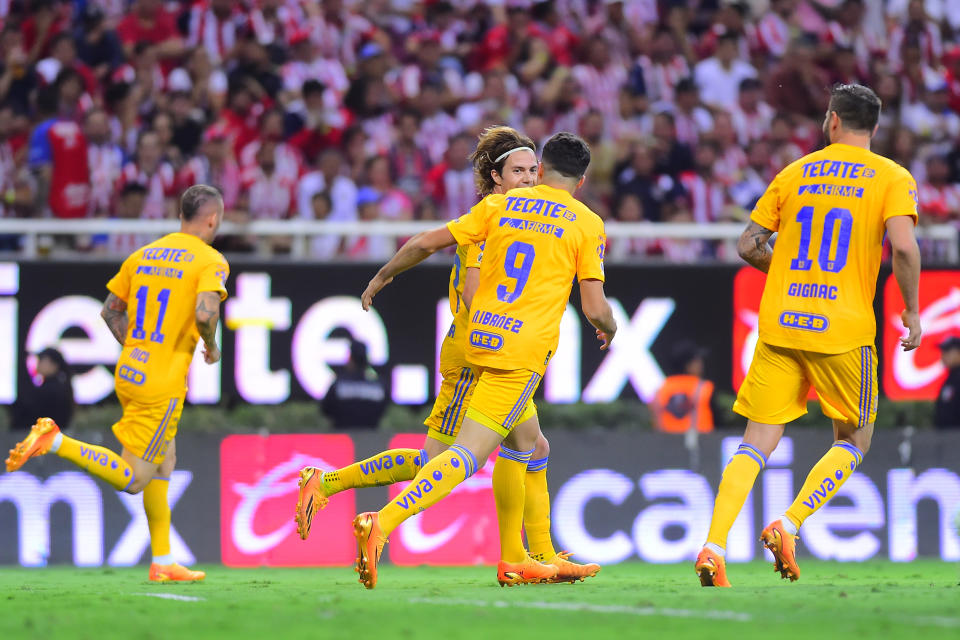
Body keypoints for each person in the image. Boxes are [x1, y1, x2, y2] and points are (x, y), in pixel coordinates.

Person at [296, 127, 600, 585]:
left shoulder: (508, 214)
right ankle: (334, 486)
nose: (526, 178)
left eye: (529, 170)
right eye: (517, 171)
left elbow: (430, 245)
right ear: (496, 177)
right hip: (479, 354)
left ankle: (535, 554)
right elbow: (478, 297)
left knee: (532, 445)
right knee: (441, 461)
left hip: (491, 347)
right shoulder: (493, 219)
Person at [695, 84, 922, 587]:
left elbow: (748, 244)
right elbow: (904, 249)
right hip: (843, 331)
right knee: (854, 439)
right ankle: (790, 521)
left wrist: (792, 271)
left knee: (754, 445)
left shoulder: (797, 172)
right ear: (874, 128)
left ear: (833, 121)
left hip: (782, 323)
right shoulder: (891, 177)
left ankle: (713, 545)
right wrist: (911, 310)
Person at [5, 185, 229, 583]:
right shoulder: (210, 260)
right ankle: (54, 440)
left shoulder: (145, 254)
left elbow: (110, 311)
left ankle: (162, 560)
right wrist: (210, 347)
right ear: (212, 218)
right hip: (161, 383)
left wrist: (140, 346)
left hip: (130, 370)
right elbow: (205, 314)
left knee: (165, 461)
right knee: (135, 478)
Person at [321, 339, 387, 429]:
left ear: (350, 358)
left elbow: (325, 409)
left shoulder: (339, 384)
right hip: (371, 440)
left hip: (343, 438)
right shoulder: (378, 385)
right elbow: (384, 409)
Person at [651, 341, 714, 434]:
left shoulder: (660, 390)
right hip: (701, 444)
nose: (701, 364)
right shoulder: (705, 388)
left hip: (665, 445)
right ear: (687, 365)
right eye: (697, 361)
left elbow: (655, 424)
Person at [10, 348, 73, 432]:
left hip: (46, 439)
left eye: (41, 360)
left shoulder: (54, 390)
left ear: (54, 365)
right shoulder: (59, 386)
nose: (38, 364)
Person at [934, 337, 960, 429]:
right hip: (945, 439)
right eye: (943, 352)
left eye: (947, 352)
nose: (943, 356)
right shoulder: (949, 380)